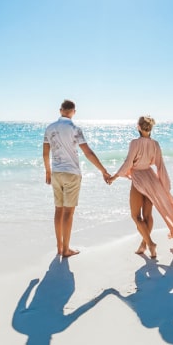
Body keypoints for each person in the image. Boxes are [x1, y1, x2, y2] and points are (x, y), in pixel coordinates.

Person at [107, 116, 173, 259]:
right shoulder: (155, 144)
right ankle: (143, 245)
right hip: (152, 179)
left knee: (136, 216)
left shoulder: (134, 143)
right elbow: (160, 165)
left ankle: (150, 243)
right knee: (148, 216)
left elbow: (128, 162)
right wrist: (164, 185)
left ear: (138, 127)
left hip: (139, 179)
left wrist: (114, 177)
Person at [43, 99, 110, 257]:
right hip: (72, 173)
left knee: (58, 210)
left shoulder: (50, 128)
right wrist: (103, 170)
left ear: (60, 110)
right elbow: (88, 152)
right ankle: (66, 249)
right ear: (73, 111)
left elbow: (45, 153)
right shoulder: (75, 129)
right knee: (68, 213)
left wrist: (48, 171)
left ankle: (59, 246)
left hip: (56, 173)